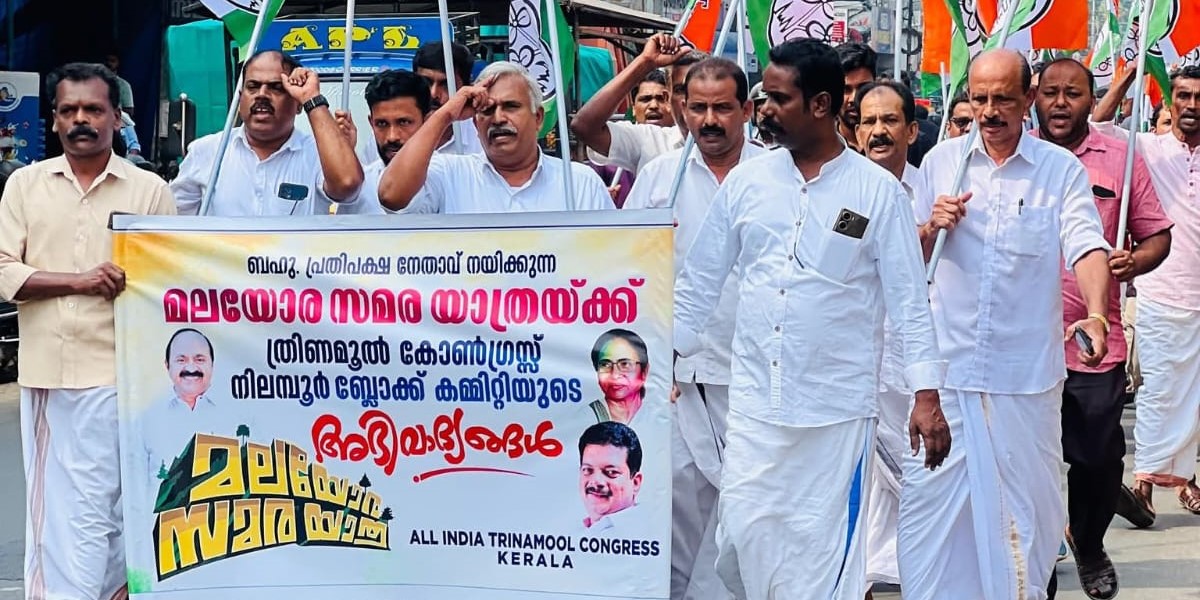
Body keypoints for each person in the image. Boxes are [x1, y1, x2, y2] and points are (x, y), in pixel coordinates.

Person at [674, 38, 950, 599]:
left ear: (821, 105)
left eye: (779, 99)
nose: (765, 109)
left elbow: (909, 303)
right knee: (744, 537)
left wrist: (926, 395)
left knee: (824, 566)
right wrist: (655, 359)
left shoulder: (877, 192)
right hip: (755, 410)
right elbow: (697, 286)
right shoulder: (748, 184)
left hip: (835, 417)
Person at [904, 50, 1112, 600]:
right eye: (980, 98)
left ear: (1028, 100)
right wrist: (931, 227)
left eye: (1003, 99)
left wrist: (1095, 313)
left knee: (1028, 523)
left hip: (1024, 380)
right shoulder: (941, 164)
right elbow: (903, 262)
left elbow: (1085, 244)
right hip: (947, 380)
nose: (990, 111)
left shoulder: (1058, 171)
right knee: (932, 528)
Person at [0, 62, 176, 600]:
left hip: (126, 375)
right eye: (70, 110)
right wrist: (78, 282)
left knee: (114, 502)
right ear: (53, 120)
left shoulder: (149, 191)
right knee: (60, 509)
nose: (82, 120)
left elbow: (170, 283)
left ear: (117, 118)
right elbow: (3, 271)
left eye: (94, 109)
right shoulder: (25, 185)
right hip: (51, 375)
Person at [1033, 57, 1173, 600]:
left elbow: (1157, 235)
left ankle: (1088, 543)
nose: (1060, 102)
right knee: (1029, 461)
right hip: (1022, 347)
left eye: (1073, 93)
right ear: (1033, 98)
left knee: (1097, 458)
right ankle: (1037, 561)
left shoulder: (1122, 158)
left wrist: (1134, 261)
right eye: (1050, 91)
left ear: (1093, 102)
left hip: (1094, 344)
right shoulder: (1010, 160)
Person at [625, 56, 763, 600]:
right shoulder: (661, 178)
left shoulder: (773, 175)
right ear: (682, 108)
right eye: (698, 107)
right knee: (680, 503)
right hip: (678, 374)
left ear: (746, 110)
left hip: (753, 373)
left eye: (722, 108)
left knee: (745, 506)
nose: (709, 120)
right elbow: (630, 271)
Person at [1093, 65, 1200, 520]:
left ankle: (1185, 481)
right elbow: (1098, 125)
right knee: (1158, 392)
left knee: (1195, 399)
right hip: (1161, 291)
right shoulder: (1148, 148)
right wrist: (1129, 76)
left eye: (1199, 97)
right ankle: (1143, 486)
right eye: (1183, 96)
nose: (1191, 105)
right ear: (1169, 100)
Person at [852, 79, 922, 594]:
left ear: (911, 131)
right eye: (868, 122)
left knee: (915, 468)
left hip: (914, 360)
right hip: (855, 359)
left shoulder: (933, 189)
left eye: (889, 121)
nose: (878, 131)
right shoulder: (843, 194)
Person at [377, 61, 611, 213]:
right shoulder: (449, 173)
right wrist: (445, 115)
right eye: (487, 110)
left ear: (538, 118)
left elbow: (608, 259)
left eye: (511, 106)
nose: (498, 118)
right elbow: (391, 195)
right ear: (475, 123)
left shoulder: (579, 183)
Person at [171, 51, 365, 216]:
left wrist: (311, 98)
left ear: (298, 104)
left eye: (276, 88)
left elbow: (347, 184)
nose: (262, 94)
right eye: (253, 86)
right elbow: (174, 223)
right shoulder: (207, 151)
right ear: (240, 99)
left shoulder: (317, 155)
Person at [572, 34, 698, 174]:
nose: (690, 100)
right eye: (681, 90)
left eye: (699, 90)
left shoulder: (719, 147)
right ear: (667, 98)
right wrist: (645, 62)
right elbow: (584, 127)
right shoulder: (650, 142)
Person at [332, 69, 433, 214]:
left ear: (428, 121)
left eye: (404, 122)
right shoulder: (360, 188)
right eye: (382, 124)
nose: (392, 137)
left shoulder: (450, 175)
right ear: (371, 123)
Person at [412, 41, 485, 155]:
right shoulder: (395, 131)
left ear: (466, 88)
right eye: (426, 82)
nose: (433, 94)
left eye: (446, 84)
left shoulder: (481, 137)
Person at [579, 421, 645, 532]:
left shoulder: (647, 532)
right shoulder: (569, 533)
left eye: (611, 472)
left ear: (635, 483)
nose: (596, 481)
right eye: (588, 470)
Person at [588, 329, 650, 426]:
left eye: (625, 364)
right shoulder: (585, 418)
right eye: (605, 365)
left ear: (644, 371)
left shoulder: (657, 415)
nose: (615, 375)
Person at [835, 42, 877, 151]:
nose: (853, 98)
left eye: (863, 88)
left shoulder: (904, 143)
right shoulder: (818, 148)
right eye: (846, 90)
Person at [104, 52, 135, 117]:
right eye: (107, 60)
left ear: (118, 63)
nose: (109, 63)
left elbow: (129, 112)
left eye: (112, 61)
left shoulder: (124, 85)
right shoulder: (95, 82)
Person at [749, 82, 776, 147]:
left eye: (769, 109)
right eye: (759, 109)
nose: (764, 114)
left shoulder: (790, 145)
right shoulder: (751, 144)